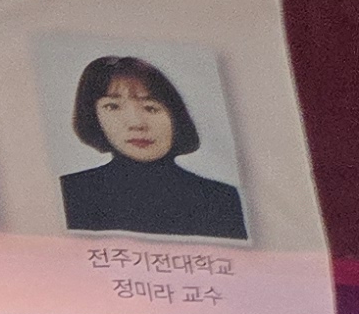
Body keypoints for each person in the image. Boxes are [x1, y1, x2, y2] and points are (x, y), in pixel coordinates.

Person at [60, 54, 250, 240]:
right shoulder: (72, 192)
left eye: (151, 108)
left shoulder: (220, 198)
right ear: (93, 116)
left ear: (175, 117)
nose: (137, 123)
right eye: (113, 107)